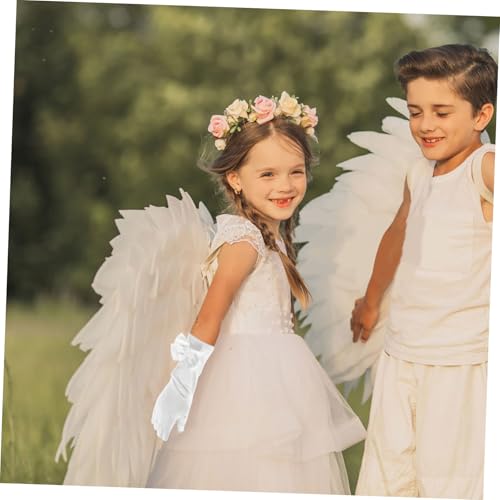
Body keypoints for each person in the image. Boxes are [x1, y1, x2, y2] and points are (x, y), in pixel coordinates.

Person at [56, 91, 365, 494]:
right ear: (236, 179)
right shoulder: (244, 243)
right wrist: (181, 387)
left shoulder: (271, 236)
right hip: (244, 380)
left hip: (277, 376)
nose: (285, 185)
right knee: (246, 467)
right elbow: (208, 318)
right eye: (267, 175)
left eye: (296, 171)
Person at [350, 44, 496, 499]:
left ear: (481, 115)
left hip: (458, 359)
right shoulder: (418, 173)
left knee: (448, 478)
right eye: (416, 112)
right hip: (403, 351)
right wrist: (370, 299)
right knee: (391, 475)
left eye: (441, 112)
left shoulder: (484, 168)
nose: (425, 125)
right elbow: (398, 233)